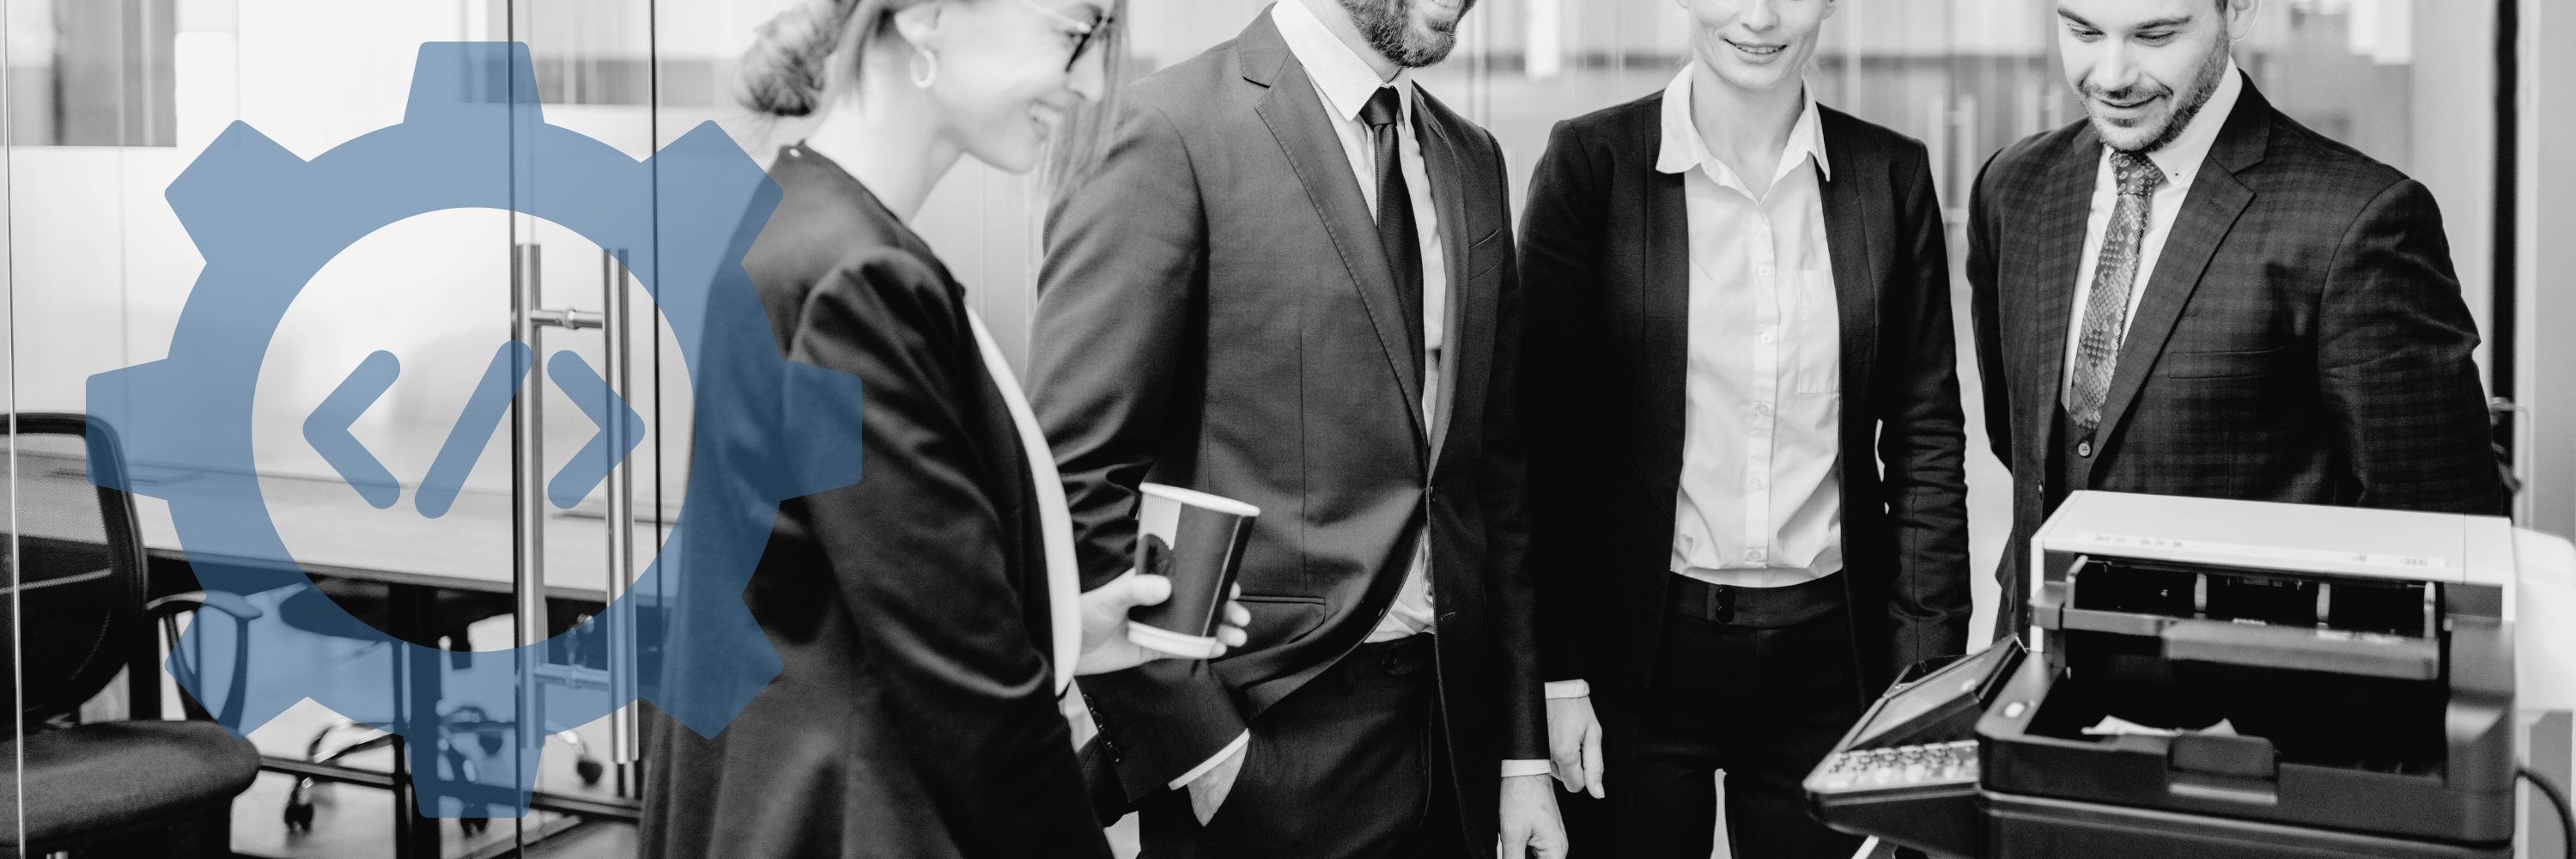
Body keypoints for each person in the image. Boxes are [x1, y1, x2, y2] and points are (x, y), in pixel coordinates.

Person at [637, 2, 1249, 856]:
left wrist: (1059, 628)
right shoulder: (858, 279)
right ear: (925, 17)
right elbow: (970, 699)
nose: (1091, 82)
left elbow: (845, 586)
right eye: (1074, 33)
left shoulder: (799, 221)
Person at [1025, 0, 1568, 855]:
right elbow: (1074, 481)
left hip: (1455, 741)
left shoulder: (1472, 158)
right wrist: (1205, 748)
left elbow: (1492, 479)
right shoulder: (1163, 130)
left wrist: (1520, 753)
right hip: (1267, 737)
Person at [1516, 0, 1971, 856]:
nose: (1758, 17)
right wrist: (1558, 672)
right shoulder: (1592, 164)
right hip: (1639, 660)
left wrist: (1926, 688)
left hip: (1834, 665)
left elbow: (1927, 446)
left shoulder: (1890, 174)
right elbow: (1544, 445)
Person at [1967, 0, 2506, 643]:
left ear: (2239, 8)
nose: (2111, 75)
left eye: (2156, 34)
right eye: (2083, 30)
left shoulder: (2360, 221)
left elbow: (2441, 539)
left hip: (2244, 712)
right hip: (2030, 674)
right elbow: (2021, 440)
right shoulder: (2014, 187)